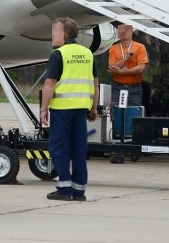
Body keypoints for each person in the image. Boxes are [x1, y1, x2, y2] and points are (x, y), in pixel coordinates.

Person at [40, 17, 99, 202]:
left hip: (62, 109)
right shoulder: (88, 54)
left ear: (64, 34)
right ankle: (79, 191)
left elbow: (50, 83)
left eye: (55, 32)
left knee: (59, 148)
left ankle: (64, 189)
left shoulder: (58, 55)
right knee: (79, 150)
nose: (52, 36)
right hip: (81, 108)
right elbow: (95, 84)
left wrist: (44, 109)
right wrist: (94, 107)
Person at [107, 23, 149, 107]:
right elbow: (112, 67)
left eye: (127, 29)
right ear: (118, 32)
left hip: (134, 89)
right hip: (117, 87)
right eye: (121, 29)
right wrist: (125, 58)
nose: (124, 31)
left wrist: (123, 72)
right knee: (116, 114)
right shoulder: (113, 48)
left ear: (132, 31)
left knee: (132, 113)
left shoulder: (140, 47)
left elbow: (141, 68)